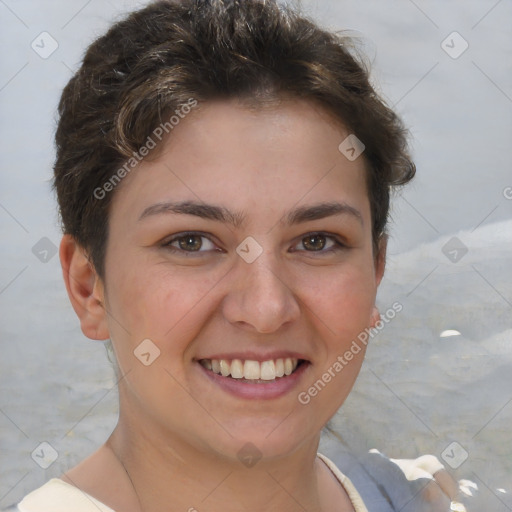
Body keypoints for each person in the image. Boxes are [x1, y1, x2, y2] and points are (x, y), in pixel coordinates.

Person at [5, 0, 473, 510]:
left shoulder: (417, 494)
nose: (267, 309)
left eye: (316, 241)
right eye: (192, 242)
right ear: (88, 287)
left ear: (375, 273)